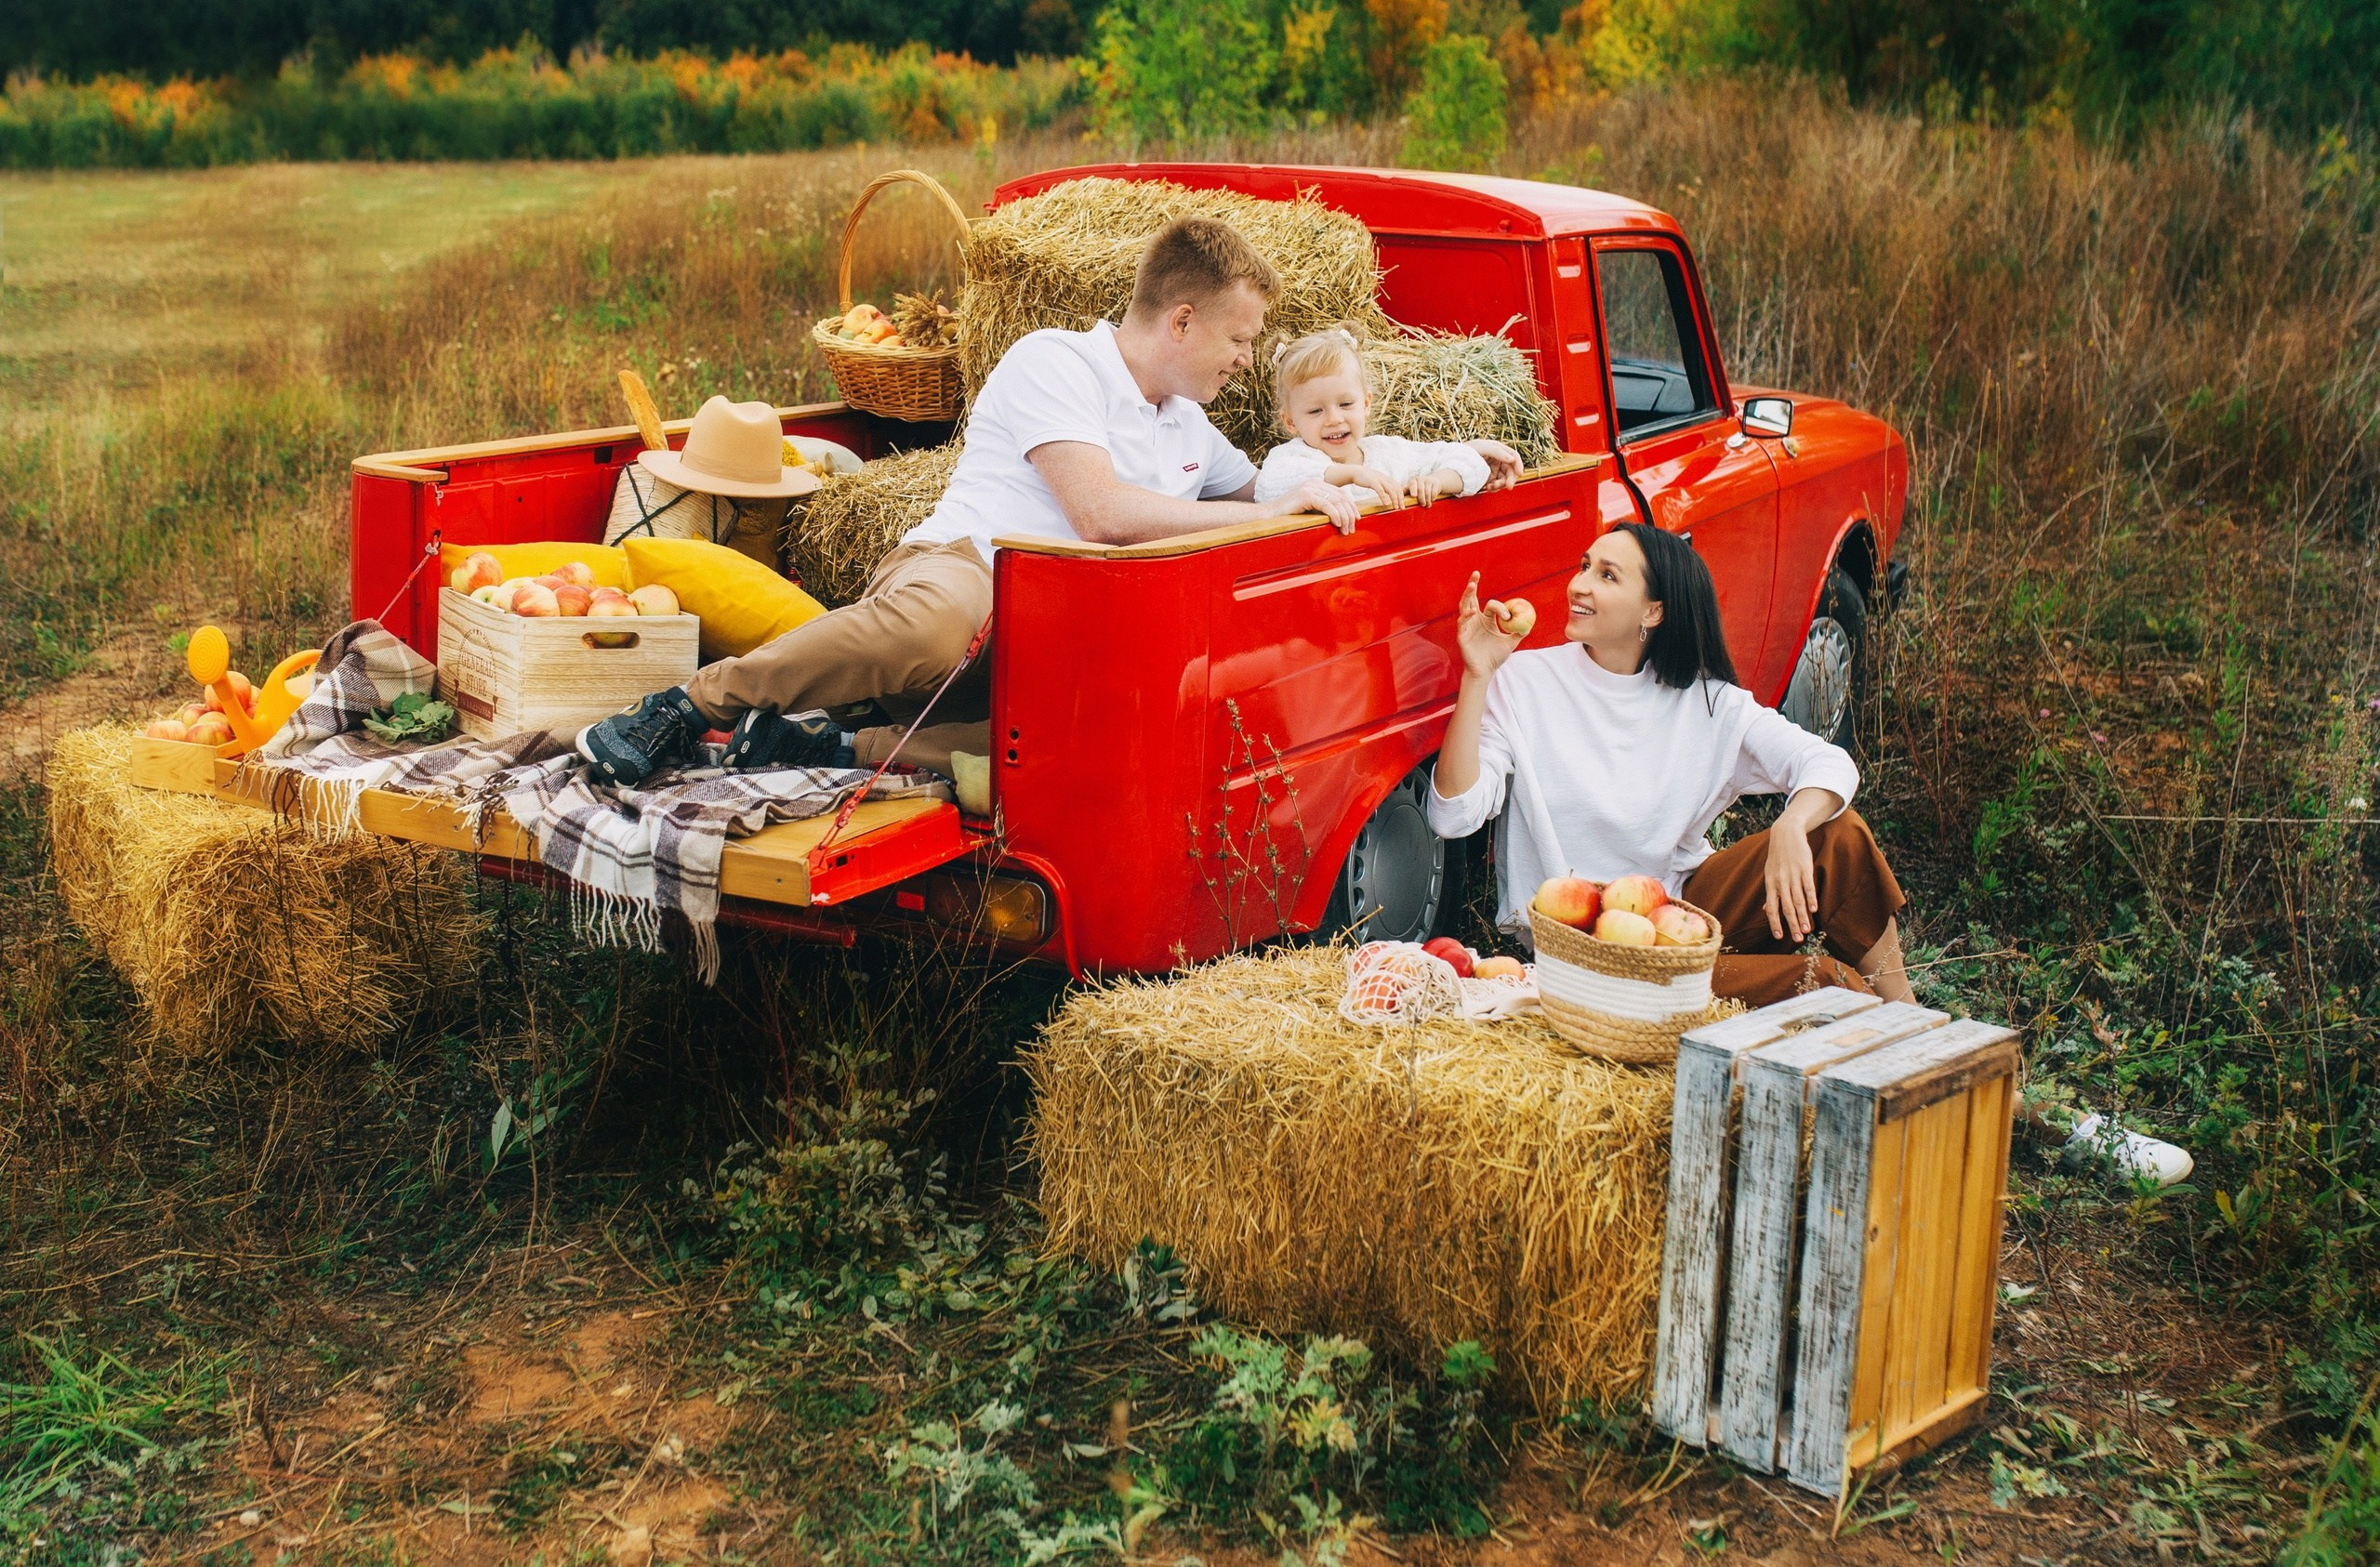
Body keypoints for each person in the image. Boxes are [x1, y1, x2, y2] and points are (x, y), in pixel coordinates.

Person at [576, 217, 1365, 786]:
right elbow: (1102, 515)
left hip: (1052, 637)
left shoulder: (1189, 426)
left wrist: (1436, 465)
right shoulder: (1056, 362)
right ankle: (684, 706)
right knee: (941, 623)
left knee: (1105, 739)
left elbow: (1288, 477)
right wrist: (1270, 514)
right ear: (1184, 321)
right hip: (964, 573)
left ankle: (826, 746)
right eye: (1242, 338)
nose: (1247, 358)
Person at [1425, 520, 1916, 1007]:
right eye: (1584, 566)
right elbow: (1454, 815)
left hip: (1683, 914)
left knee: (1840, 836)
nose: (1579, 584)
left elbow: (1828, 762)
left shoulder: (1705, 702)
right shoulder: (1523, 682)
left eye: (1607, 575)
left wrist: (1791, 824)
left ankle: (1916, 1027)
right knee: (1830, 983)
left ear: (1654, 611)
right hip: (1588, 951)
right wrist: (1478, 674)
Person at [1250, 325, 1523, 507]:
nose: (1334, 419)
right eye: (1315, 411)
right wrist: (1353, 474)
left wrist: (1439, 480)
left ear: (1366, 404)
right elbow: (1271, 488)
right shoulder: (1290, 459)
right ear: (1290, 422)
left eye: (1346, 404)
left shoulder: (1389, 452)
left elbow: (1469, 465)